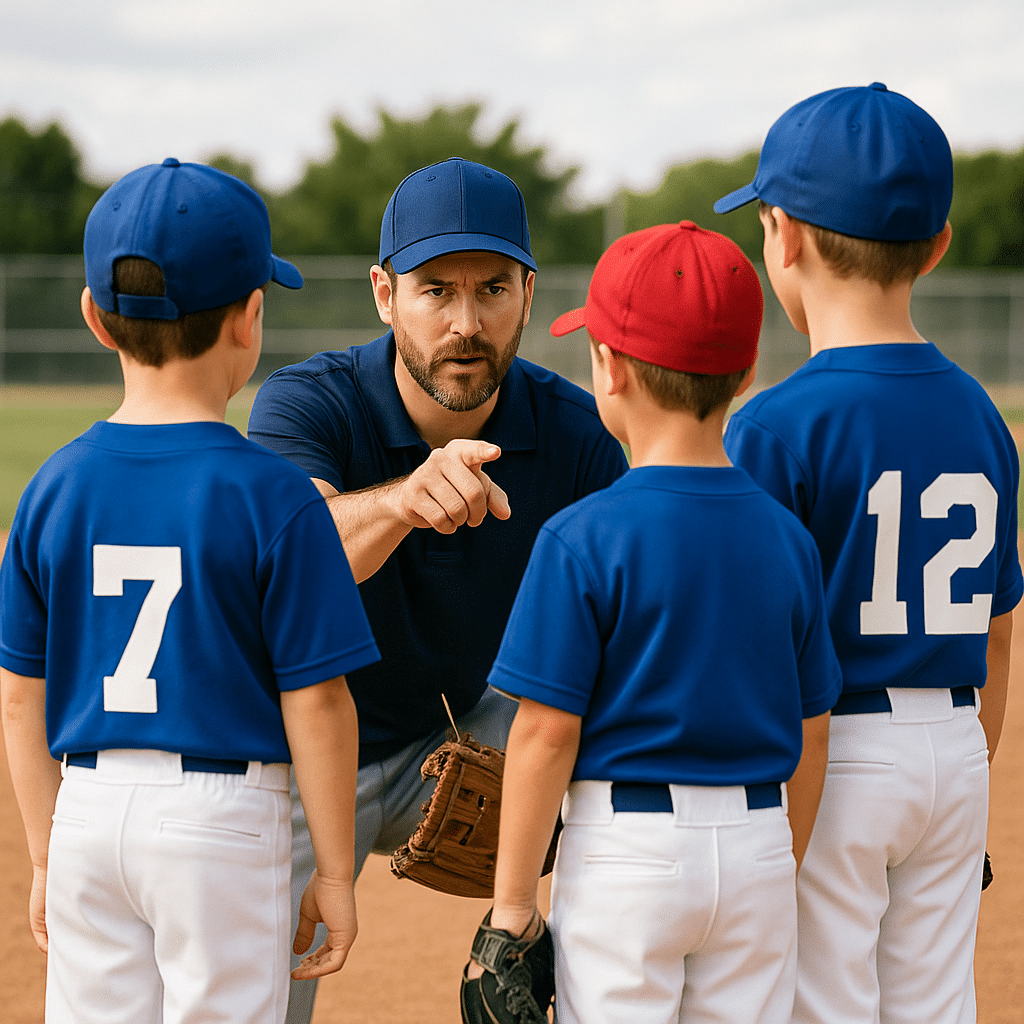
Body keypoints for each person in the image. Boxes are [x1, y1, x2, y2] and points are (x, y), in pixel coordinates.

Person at [246, 155, 628, 1021]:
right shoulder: (309, 402)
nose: (466, 322)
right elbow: (285, 568)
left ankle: (538, 957)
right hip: (306, 750)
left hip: (473, 729)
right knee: (258, 992)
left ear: (529, 293)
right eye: (435, 291)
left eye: (493, 288)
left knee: (616, 744)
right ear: (384, 295)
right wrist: (402, 501)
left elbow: (632, 634)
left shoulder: (576, 436)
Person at [0, 159, 380, 1024]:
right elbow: (318, 702)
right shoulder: (273, 493)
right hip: (220, 817)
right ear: (251, 319)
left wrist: (44, 850)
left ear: (95, 319)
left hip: (89, 806)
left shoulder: (53, 487)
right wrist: (329, 870)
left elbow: (20, 696)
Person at [473, 221, 843, 1024]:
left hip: (627, 852)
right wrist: (783, 862)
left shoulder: (582, 536)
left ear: (607, 370)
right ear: (745, 372)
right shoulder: (789, 537)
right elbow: (814, 732)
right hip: (757, 843)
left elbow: (543, 734)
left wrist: (510, 909)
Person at [715, 83, 1023, 1024]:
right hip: (955, 748)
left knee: (822, 999)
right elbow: (1001, 631)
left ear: (784, 238)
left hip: (833, 753)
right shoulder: (983, 414)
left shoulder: (773, 424)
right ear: (936, 247)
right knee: (935, 1002)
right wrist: (967, 765)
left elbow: (747, 645)